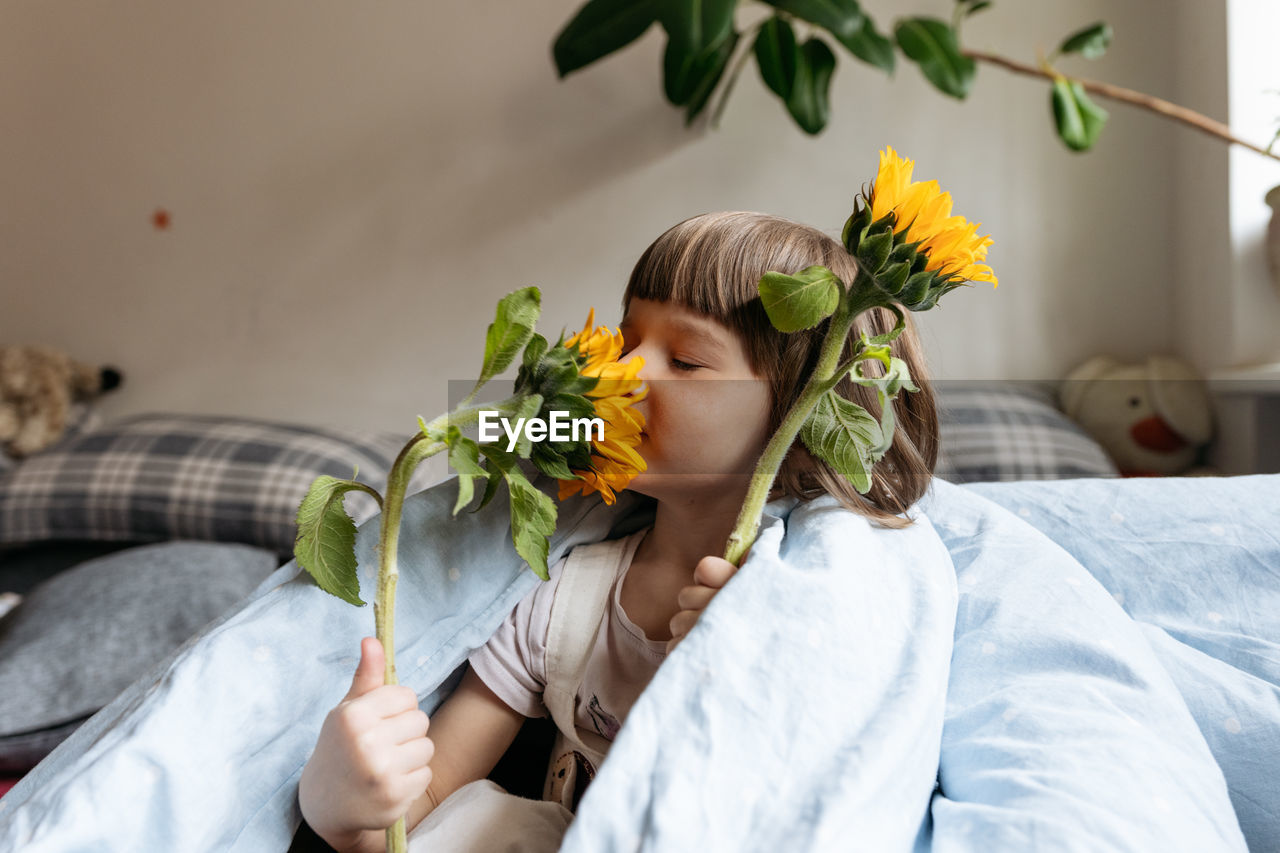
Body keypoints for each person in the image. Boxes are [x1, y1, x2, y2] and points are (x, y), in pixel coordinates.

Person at [294, 211, 940, 852]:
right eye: (625, 341)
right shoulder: (563, 602)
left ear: (807, 431)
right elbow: (424, 813)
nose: (621, 375)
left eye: (684, 360)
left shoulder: (820, 600)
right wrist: (339, 805)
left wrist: (751, 663)